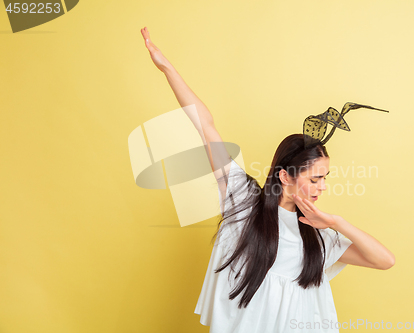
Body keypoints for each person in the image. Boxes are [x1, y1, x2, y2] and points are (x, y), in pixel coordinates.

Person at [140, 27, 395, 333]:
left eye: (325, 178)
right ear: (285, 175)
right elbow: (205, 126)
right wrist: (167, 67)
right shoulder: (244, 200)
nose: (323, 187)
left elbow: (384, 260)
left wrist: (337, 222)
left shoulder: (318, 235)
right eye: (315, 179)